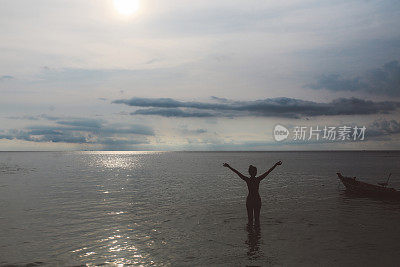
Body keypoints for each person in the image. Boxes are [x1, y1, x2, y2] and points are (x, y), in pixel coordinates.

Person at [223, 161, 282, 226]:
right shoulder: (258, 179)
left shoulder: (247, 180)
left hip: (250, 200)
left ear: (249, 172)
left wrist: (229, 166)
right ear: (256, 172)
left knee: (250, 220)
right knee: (257, 220)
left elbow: (237, 172)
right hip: (257, 200)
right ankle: (257, 234)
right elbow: (268, 172)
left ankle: (250, 234)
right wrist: (275, 165)